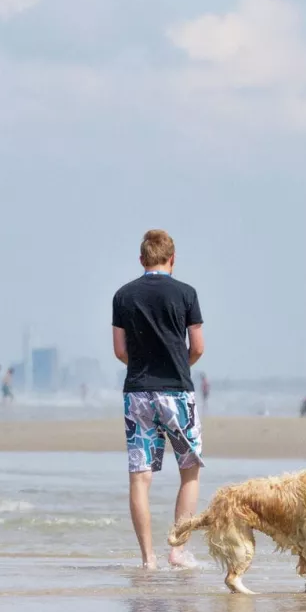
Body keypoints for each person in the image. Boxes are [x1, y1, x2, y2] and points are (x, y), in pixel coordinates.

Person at [112, 229, 204, 570]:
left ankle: (148, 559)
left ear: (141, 259)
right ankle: (178, 551)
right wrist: (180, 366)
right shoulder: (186, 293)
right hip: (177, 391)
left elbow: (120, 350)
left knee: (140, 477)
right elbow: (197, 347)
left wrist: (140, 368)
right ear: (173, 258)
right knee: (189, 471)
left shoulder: (123, 296)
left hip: (137, 392)